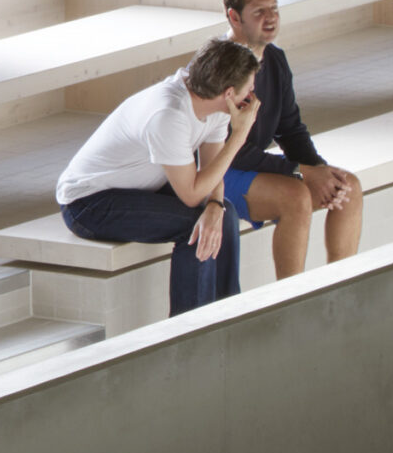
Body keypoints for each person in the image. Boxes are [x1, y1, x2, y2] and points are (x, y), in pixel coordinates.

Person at [54, 41, 262, 315]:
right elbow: (191, 194)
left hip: (137, 187)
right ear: (229, 93)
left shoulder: (217, 108)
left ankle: (226, 316)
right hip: (88, 203)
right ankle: (188, 332)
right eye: (249, 87)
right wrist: (239, 136)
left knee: (226, 213)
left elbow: (212, 171)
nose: (253, 94)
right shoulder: (169, 114)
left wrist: (215, 206)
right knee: (193, 227)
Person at [217, 0, 366, 278]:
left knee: (347, 186)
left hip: (251, 163)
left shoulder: (275, 60)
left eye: (274, 9)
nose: (270, 18)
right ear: (234, 17)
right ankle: (290, 301)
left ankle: (339, 292)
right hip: (217, 171)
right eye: (259, 12)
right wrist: (303, 172)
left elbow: (290, 128)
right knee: (294, 198)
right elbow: (232, 152)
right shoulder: (219, 67)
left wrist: (321, 170)